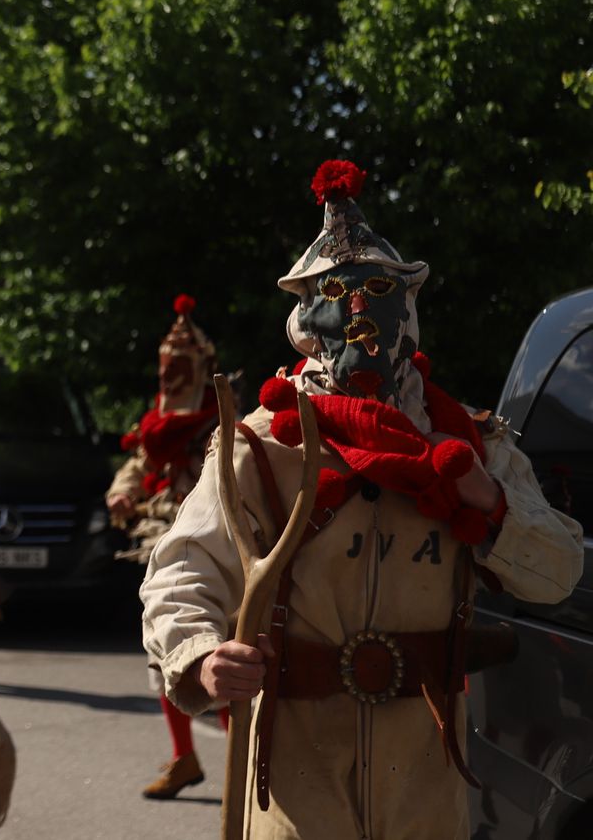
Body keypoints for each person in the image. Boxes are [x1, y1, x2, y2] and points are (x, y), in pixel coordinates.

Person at [140, 160, 585, 839]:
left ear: (407, 305)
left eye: (378, 290)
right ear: (304, 314)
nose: (358, 312)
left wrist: (489, 502)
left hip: (426, 775)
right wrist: (201, 653)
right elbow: (182, 570)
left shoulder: (472, 444)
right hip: (298, 770)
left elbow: (558, 573)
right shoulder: (260, 446)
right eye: (335, 293)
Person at [104, 295, 227, 798]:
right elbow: (138, 464)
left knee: (223, 656)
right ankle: (184, 758)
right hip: (165, 550)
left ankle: (246, 764)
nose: (172, 378)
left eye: (182, 368)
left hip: (218, 552)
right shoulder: (157, 422)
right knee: (164, 651)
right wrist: (122, 492)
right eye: (168, 368)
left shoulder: (226, 418)